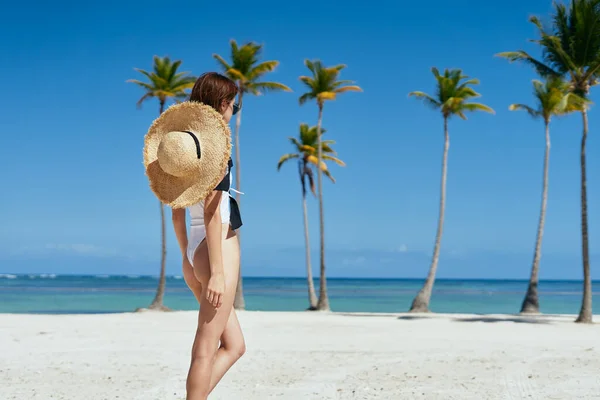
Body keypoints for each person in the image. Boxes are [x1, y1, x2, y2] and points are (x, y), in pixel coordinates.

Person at [169, 72, 245, 399]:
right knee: (205, 347)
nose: (233, 111)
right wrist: (216, 272)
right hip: (217, 253)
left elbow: (176, 210)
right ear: (222, 104)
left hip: (196, 250)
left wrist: (187, 257)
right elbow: (214, 211)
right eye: (233, 104)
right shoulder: (215, 147)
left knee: (235, 345)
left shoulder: (186, 147)